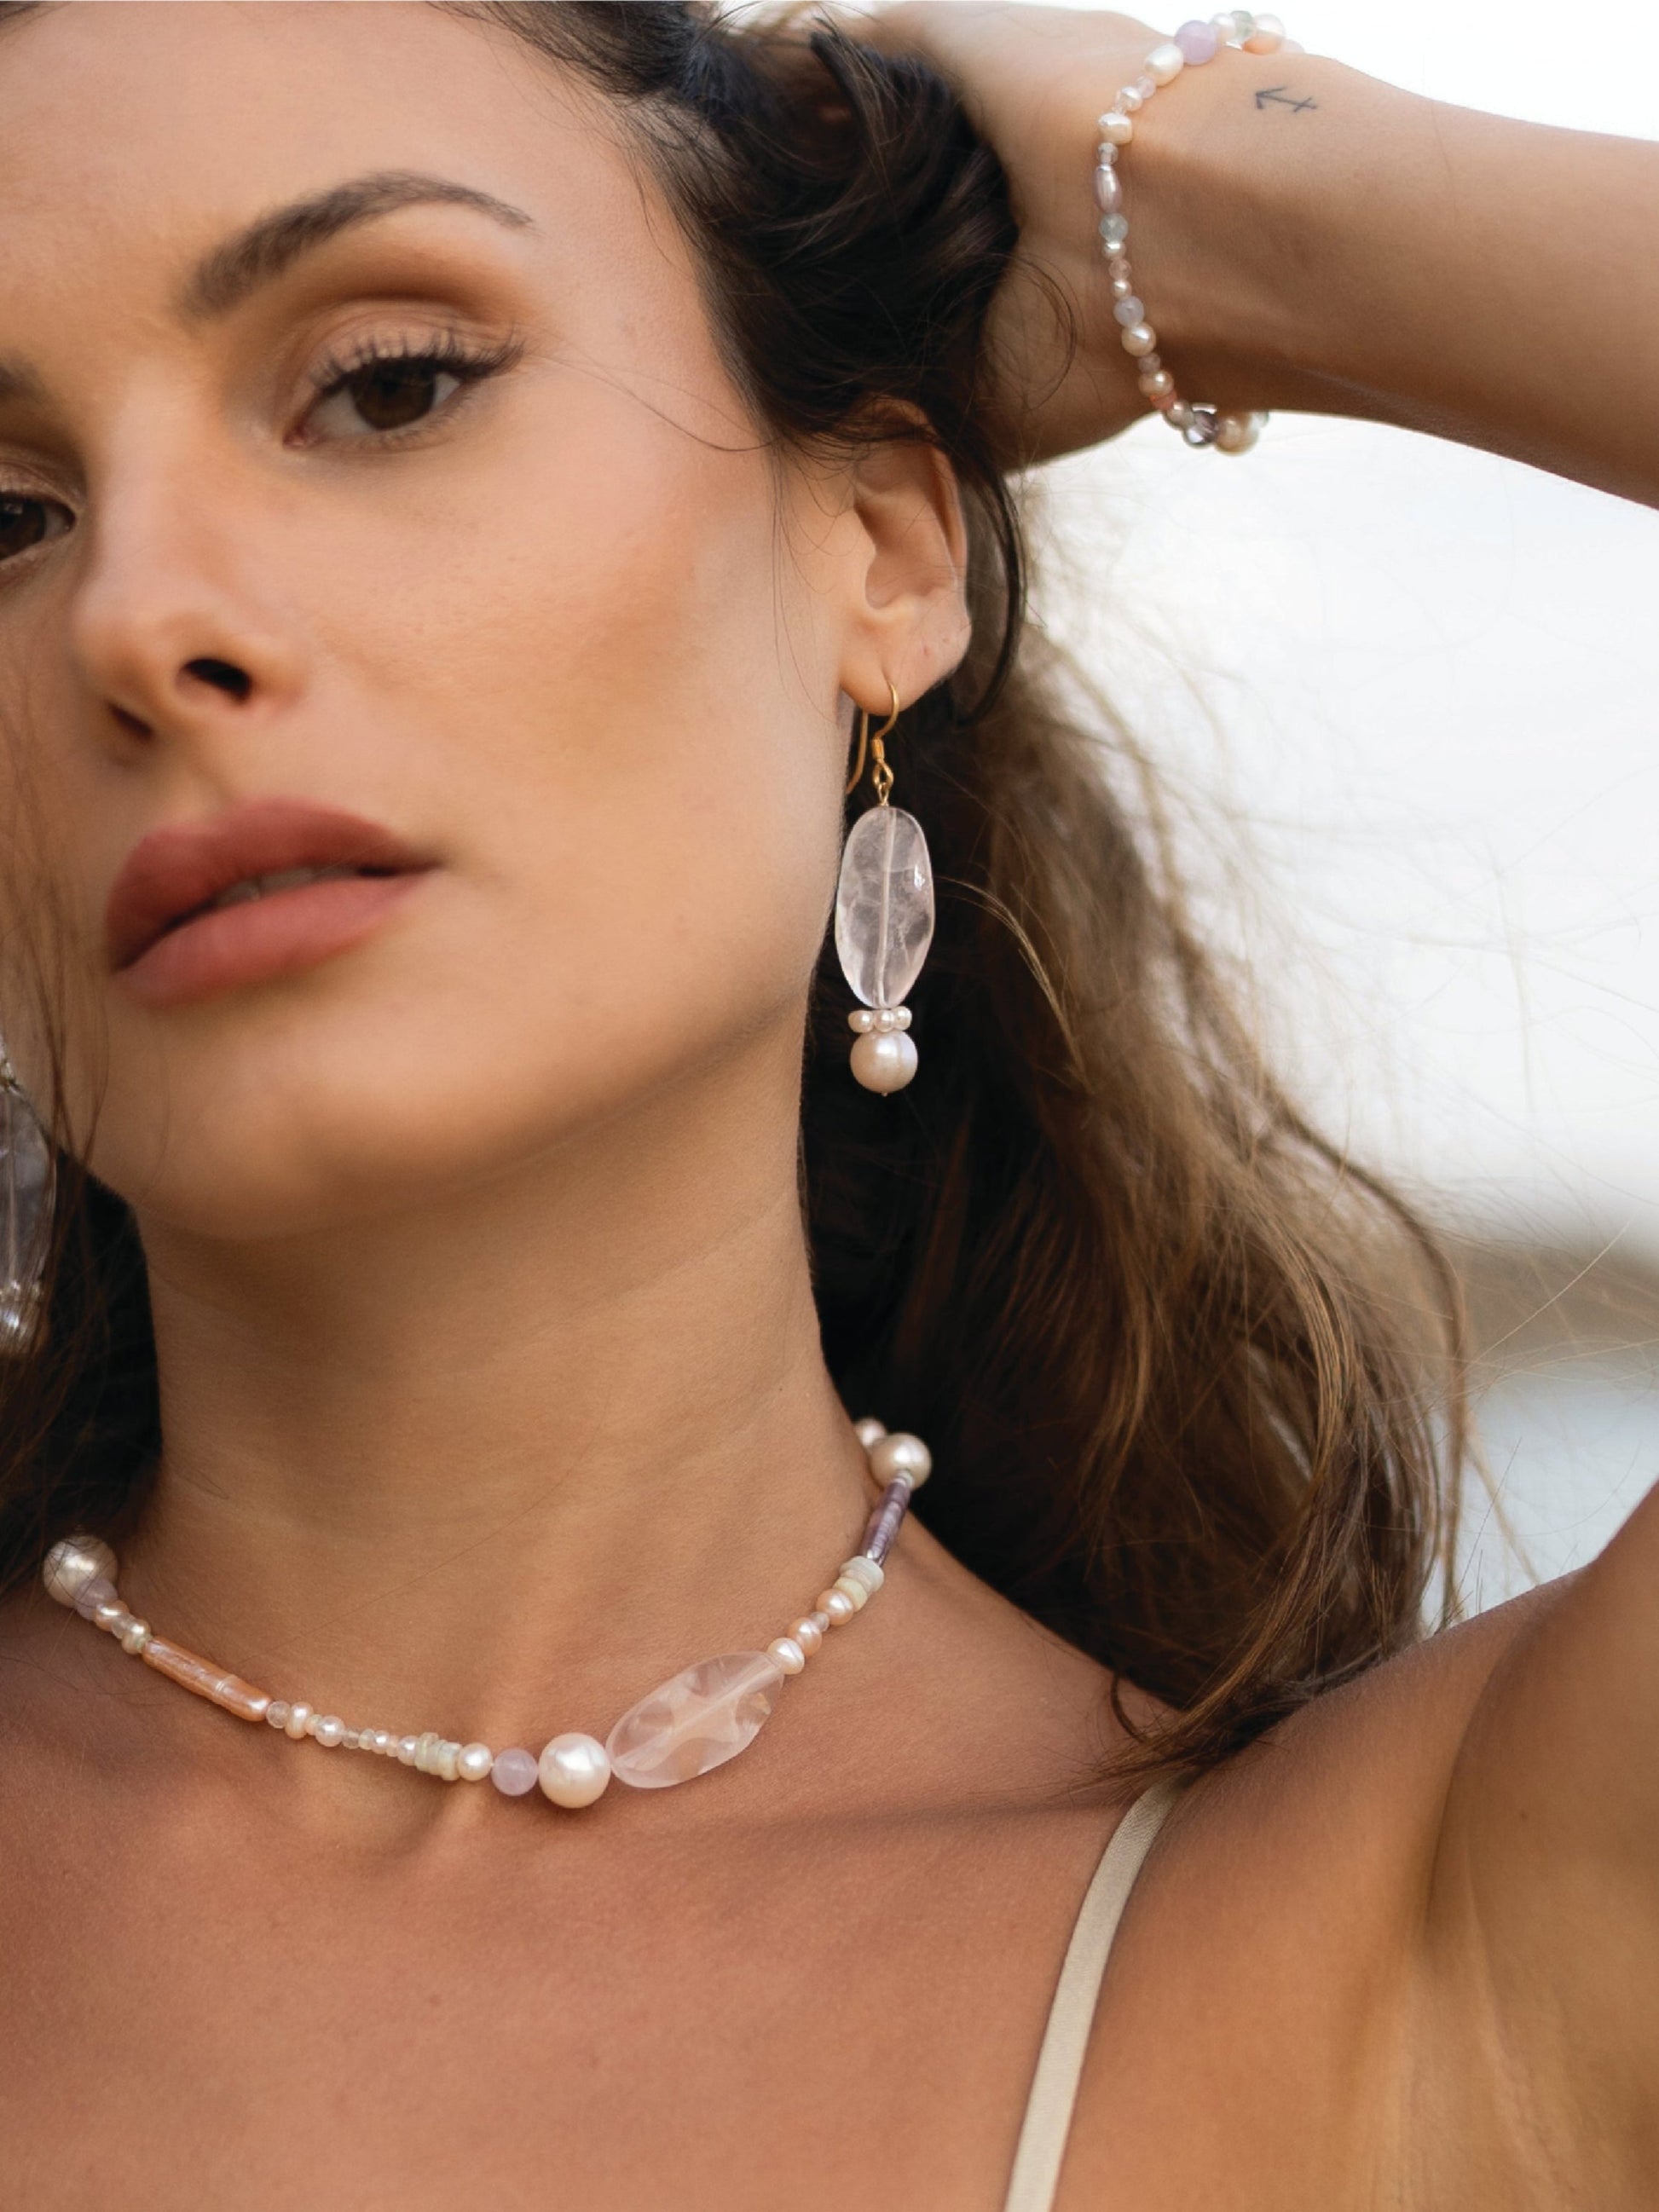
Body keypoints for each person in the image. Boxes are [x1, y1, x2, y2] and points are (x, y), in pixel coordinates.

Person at [0, 3, 1654, 2203]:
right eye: (3, 513)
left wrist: (1201, 209)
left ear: (881, 544)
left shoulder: (1443, 1932)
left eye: (389, 382)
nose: (137, 615)